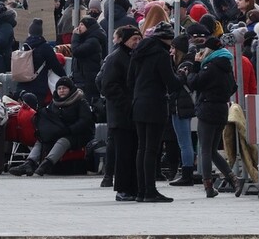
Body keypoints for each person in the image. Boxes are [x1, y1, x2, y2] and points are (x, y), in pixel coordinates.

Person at [128, 22, 182, 202]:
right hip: (155, 105)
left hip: (138, 104)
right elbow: (171, 82)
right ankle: (150, 191)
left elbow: (130, 80)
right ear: (167, 39)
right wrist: (181, 75)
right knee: (151, 149)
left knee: (141, 148)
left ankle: (142, 191)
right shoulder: (161, 54)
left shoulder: (138, 53)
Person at [183, 36, 243, 198]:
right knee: (212, 150)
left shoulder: (210, 66)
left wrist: (195, 66)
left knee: (205, 150)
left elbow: (194, 83)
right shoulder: (226, 65)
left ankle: (208, 186)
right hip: (222, 109)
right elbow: (233, 87)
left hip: (208, 109)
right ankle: (234, 180)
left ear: (209, 51)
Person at [9, 77, 94, 176]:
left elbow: (85, 121)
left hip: (77, 134)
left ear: (70, 89)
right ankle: (29, 163)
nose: (61, 91)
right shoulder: (54, 103)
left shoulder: (80, 102)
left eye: (64, 88)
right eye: (59, 88)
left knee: (63, 140)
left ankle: (46, 165)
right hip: (59, 131)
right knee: (42, 139)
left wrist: (69, 130)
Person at [99, 25, 143, 201]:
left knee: (132, 152)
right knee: (123, 154)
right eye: (134, 39)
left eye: (139, 39)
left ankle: (133, 188)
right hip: (121, 114)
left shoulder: (134, 57)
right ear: (125, 40)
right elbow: (108, 85)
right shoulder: (116, 58)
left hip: (133, 113)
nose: (137, 42)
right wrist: (126, 104)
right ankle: (123, 189)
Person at [166, 34, 196, 187]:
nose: (170, 51)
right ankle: (187, 171)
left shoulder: (184, 65)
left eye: (173, 48)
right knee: (185, 142)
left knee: (184, 142)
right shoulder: (187, 62)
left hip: (181, 107)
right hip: (184, 105)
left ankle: (187, 174)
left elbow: (176, 84)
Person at [17, 18, 67, 106]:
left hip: (22, 85)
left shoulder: (24, 47)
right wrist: (66, 79)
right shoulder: (45, 47)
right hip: (38, 86)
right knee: (36, 113)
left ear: (29, 33)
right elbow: (56, 66)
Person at [71, 16, 108, 102]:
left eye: (82, 25)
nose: (79, 27)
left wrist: (75, 36)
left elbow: (76, 51)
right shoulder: (86, 38)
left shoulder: (93, 41)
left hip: (87, 79)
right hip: (82, 77)